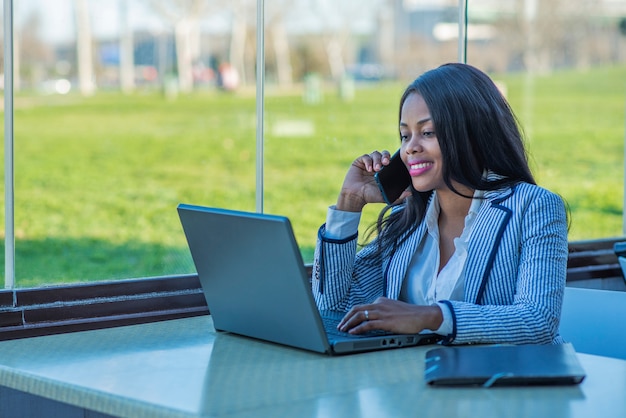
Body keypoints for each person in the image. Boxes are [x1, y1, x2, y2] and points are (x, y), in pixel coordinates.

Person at [311, 63, 569, 345]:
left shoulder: (534, 207)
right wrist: (349, 203)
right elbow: (332, 308)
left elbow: (537, 321)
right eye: (405, 135)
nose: (410, 148)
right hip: (416, 382)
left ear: (472, 133)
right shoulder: (407, 221)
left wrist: (432, 316)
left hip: (504, 383)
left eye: (428, 132)